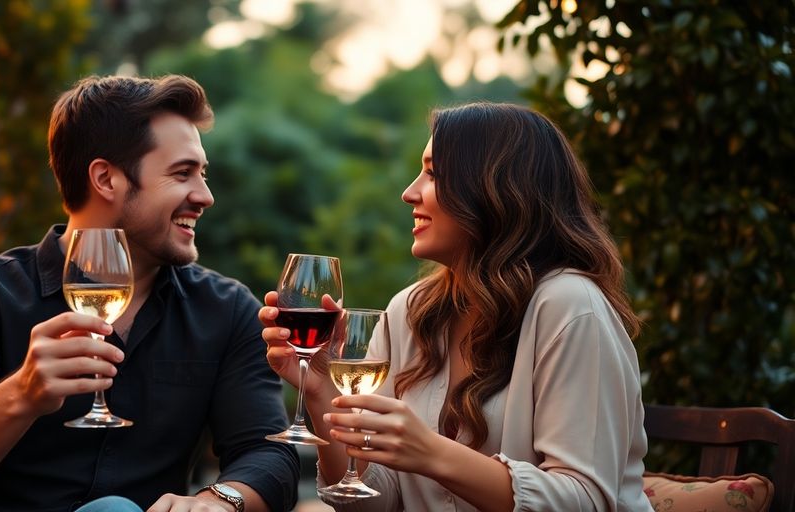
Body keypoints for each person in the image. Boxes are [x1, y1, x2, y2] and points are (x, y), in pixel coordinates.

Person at [0, 74, 300, 512]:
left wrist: (221, 500)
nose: (205, 196)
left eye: (203, 173)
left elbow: (270, 454)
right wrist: (20, 397)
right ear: (106, 179)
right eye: (182, 174)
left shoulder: (227, 309)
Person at [261, 102, 653, 511]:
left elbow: (586, 500)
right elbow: (372, 502)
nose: (409, 192)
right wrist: (322, 388)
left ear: (493, 189)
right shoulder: (408, 313)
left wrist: (431, 453)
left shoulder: (571, 307)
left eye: (432, 173)